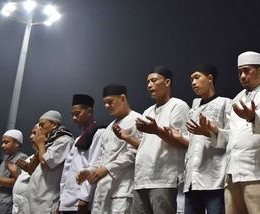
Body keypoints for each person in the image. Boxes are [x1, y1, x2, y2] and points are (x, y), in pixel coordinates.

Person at [208, 51, 260, 213]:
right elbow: (233, 137)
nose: (242, 76)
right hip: (234, 173)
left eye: (246, 71)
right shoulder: (237, 98)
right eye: (239, 72)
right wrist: (214, 131)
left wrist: (254, 117)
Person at [132, 66, 190, 214]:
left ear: (167, 82)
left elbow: (182, 142)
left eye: (154, 80)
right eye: (147, 82)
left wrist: (156, 130)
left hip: (163, 178)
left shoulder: (178, 106)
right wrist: (126, 138)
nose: (149, 85)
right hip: (142, 178)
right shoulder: (148, 111)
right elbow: (146, 145)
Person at [77, 83, 143, 214]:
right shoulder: (108, 128)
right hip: (104, 189)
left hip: (123, 188)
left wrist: (107, 168)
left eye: (110, 101)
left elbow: (136, 153)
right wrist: (90, 171)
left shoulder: (137, 120)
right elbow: (102, 158)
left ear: (123, 98)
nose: (107, 106)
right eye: (105, 103)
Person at [183, 63, 231, 214]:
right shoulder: (193, 110)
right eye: (191, 79)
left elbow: (232, 137)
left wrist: (210, 132)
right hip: (192, 180)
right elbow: (191, 144)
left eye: (197, 77)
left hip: (214, 179)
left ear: (210, 78)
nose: (193, 82)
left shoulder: (225, 103)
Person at [59, 94, 104, 213]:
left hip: (81, 202)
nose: (74, 117)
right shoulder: (78, 139)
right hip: (68, 201)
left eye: (77, 113)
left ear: (89, 111)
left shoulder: (98, 133)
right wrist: (61, 200)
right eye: (72, 114)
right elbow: (67, 172)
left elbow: (94, 165)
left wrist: (85, 198)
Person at [25, 110, 75, 213]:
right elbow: (31, 169)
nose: (39, 129)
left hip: (47, 202)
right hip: (36, 201)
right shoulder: (49, 142)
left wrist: (40, 143)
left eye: (42, 125)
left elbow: (45, 163)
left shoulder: (64, 140)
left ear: (54, 124)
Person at [0, 129, 28, 214]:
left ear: (17, 144)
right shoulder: (5, 161)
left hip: (5, 206)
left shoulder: (22, 158)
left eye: (6, 142)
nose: (3, 145)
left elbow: (15, 183)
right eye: (2, 142)